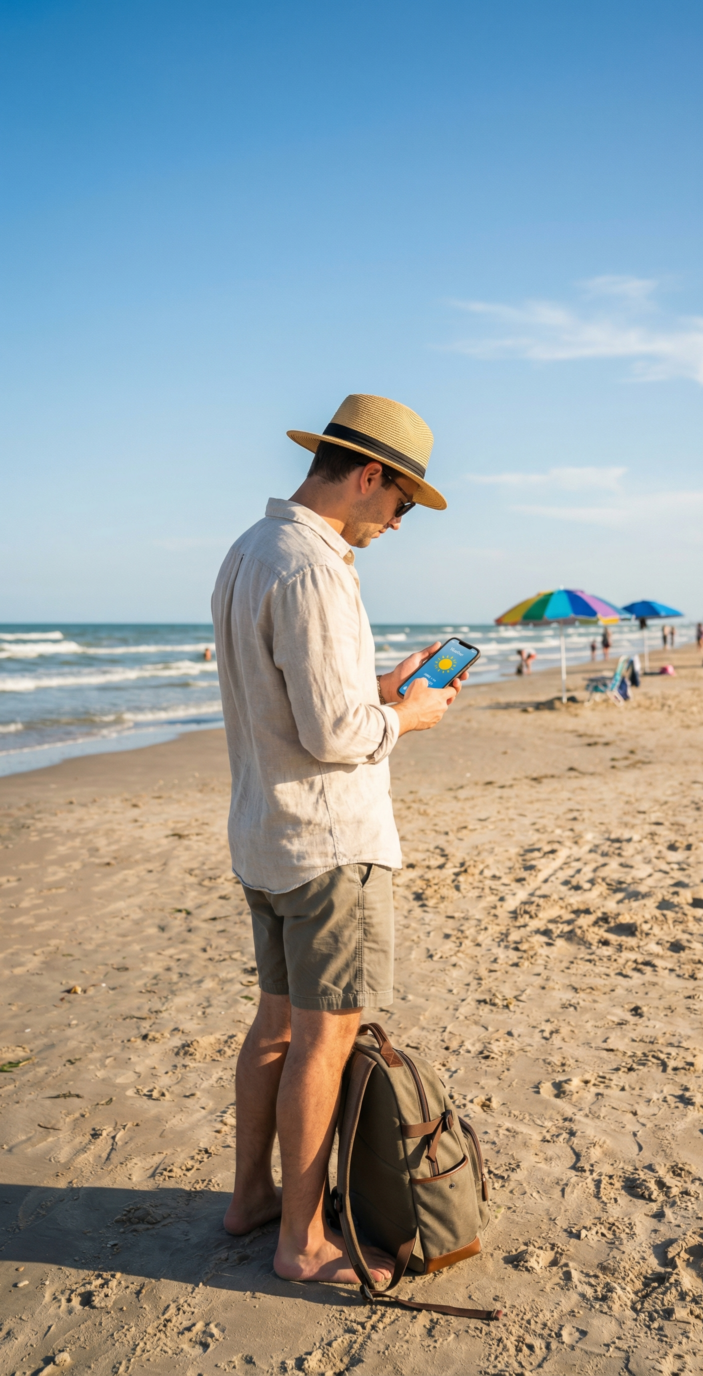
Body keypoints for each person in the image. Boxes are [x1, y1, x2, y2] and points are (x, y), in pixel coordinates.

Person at [211, 393, 465, 1288]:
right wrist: (411, 716)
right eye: (401, 503)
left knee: (275, 1027)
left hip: (264, 834)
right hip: (327, 842)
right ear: (368, 476)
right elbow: (333, 735)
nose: (398, 522)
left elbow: (296, 699)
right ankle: (304, 1242)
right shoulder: (316, 567)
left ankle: (250, 1201)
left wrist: (382, 686)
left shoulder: (249, 550)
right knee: (323, 1038)